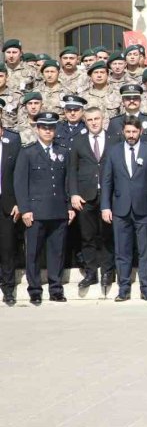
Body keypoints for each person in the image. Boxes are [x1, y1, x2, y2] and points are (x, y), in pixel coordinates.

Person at [14, 112, 74, 305]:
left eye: (51, 128)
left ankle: (56, 289)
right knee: (33, 253)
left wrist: (69, 206)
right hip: (36, 211)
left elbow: (68, 180)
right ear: (37, 129)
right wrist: (25, 209)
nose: (48, 131)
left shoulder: (63, 151)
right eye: (44, 128)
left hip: (58, 210)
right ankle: (35, 290)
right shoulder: (28, 152)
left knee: (57, 252)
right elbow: (20, 183)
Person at [100, 117, 147, 302]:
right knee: (122, 251)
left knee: (145, 250)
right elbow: (106, 181)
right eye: (128, 132)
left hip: (144, 208)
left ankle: (146, 289)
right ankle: (123, 289)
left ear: (140, 131)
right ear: (123, 132)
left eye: (134, 132)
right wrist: (105, 206)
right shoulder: (113, 151)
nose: (131, 135)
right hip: (120, 208)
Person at [67, 106, 114, 292]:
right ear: (85, 122)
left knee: (108, 235)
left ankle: (107, 272)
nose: (94, 123)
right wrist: (73, 193)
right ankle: (91, 272)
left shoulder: (114, 139)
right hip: (85, 196)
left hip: (108, 195)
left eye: (97, 118)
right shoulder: (78, 141)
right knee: (87, 236)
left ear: (103, 119)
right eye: (90, 120)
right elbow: (72, 169)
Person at [0, 117, 20, 305]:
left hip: (6, 204)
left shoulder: (11, 146)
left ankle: (8, 289)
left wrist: (18, 202)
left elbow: (18, 176)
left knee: (7, 248)